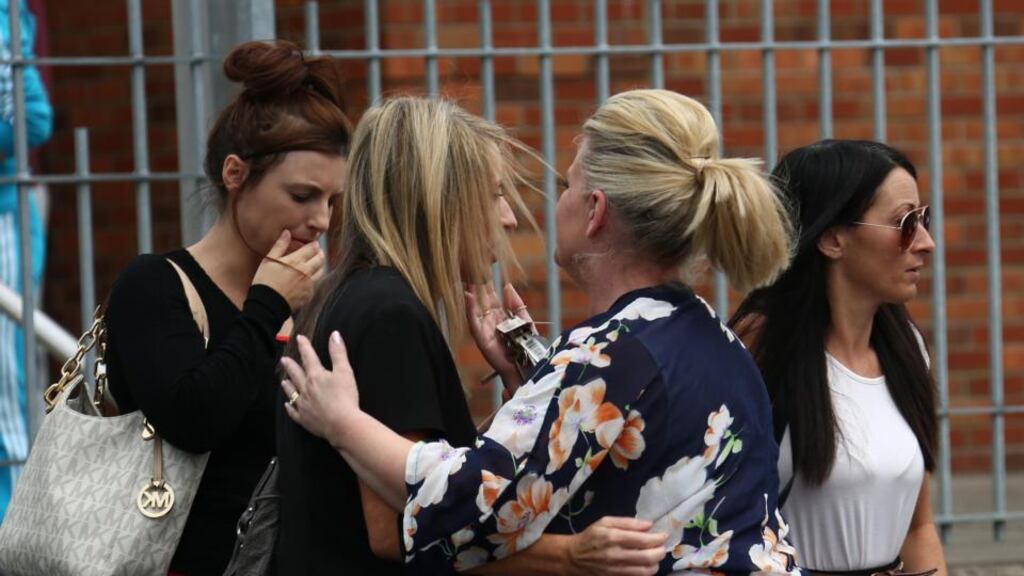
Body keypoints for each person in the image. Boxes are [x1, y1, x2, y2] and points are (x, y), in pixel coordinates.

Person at [281, 89, 803, 575]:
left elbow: (473, 499)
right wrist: (534, 375)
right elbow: (607, 450)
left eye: (566, 186)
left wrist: (342, 422)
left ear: (595, 211)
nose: (513, 217)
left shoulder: (609, 354)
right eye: (496, 195)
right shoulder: (714, 336)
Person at [104, 40, 350, 575]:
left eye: (332, 201)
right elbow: (194, 420)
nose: (322, 221)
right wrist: (265, 307)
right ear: (236, 174)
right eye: (302, 196)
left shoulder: (312, 301)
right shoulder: (155, 286)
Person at [729, 140, 947, 575]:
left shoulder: (907, 348)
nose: (926, 243)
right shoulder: (758, 347)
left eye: (922, 219)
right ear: (832, 239)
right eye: (905, 222)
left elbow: (919, 529)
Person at [0, 0, 52, 523]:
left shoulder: (6, 15)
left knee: (4, 396)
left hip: (4, 216)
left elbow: (28, 121)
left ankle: (10, 529)